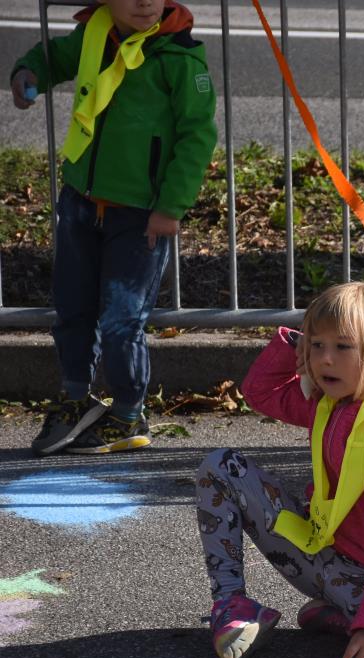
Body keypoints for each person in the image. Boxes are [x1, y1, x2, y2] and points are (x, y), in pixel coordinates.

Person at [194, 282, 364, 658]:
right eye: (317, 345)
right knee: (221, 466)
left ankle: (342, 616)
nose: (325, 359)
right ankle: (233, 605)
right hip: (311, 549)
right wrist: (294, 345)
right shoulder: (330, 402)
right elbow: (259, 392)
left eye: (343, 347)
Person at [9, 0, 217, 455]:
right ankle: (75, 397)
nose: (144, 3)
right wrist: (28, 71)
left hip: (140, 214)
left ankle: (127, 413)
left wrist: (170, 207)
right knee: (72, 307)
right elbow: (54, 57)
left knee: (123, 321)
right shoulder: (94, 34)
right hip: (81, 201)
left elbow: (198, 136)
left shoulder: (180, 58)